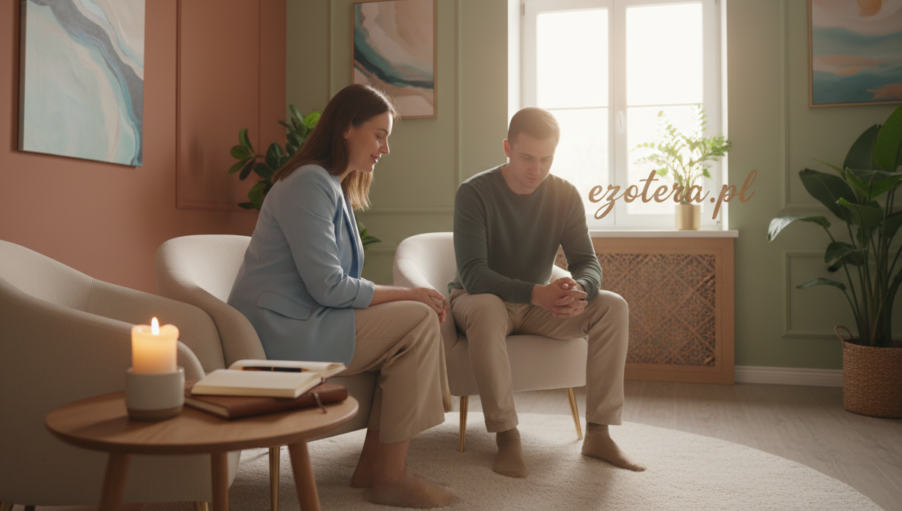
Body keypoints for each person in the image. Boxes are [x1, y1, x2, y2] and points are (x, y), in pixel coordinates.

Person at [228, 84, 455, 508]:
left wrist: (406, 297)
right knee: (418, 318)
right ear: (348, 127)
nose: (385, 149)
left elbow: (329, 285)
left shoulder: (332, 184)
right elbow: (329, 286)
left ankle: (375, 467)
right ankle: (389, 476)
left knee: (412, 319)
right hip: (281, 331)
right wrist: (408, 294)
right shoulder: (309, 183)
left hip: (306, 318)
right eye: (379, 134)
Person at [447, 107, 645, 478]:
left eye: (546, 159)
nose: (536, 169)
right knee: (489, 307)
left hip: (538, 305)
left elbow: (587, 261)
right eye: (526, 157)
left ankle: (599, 434)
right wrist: (539, 293)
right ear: (507, 147)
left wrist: (579, 291)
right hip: (480, 301)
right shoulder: (474, 193)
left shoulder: (564, 195)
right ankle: (507, 436)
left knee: (613, 307)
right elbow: (474, 275)